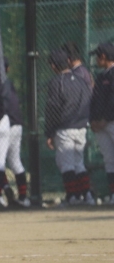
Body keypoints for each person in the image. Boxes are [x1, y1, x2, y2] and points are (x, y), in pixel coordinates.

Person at [44, 49, 94, 205]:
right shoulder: (80, 80)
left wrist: (49, 133)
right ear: (67, 62)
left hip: (65, 128)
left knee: (66, 164)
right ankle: (87, 195)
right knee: (79, 163)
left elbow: (52, 108)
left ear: (53, 66)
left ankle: (72, 196)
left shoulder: (56, 82)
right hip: (82, 127)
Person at [0, 58, 30, 207]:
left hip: (6, 126)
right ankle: (23, 197)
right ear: (8, 69)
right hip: (16, 125)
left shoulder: (0, 84)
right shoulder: (9, 83)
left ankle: (6, 192)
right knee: (14, 162)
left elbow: (2, 106)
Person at [89, 42, 114, 204]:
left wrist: (105, 118)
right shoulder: (101, 76)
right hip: (101, 124)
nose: (96, 60)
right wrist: (93, 120)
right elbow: (94, 100)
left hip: (111, 121)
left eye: (98, 56)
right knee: (109, 160)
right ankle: (113, 194)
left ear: (103, 56)